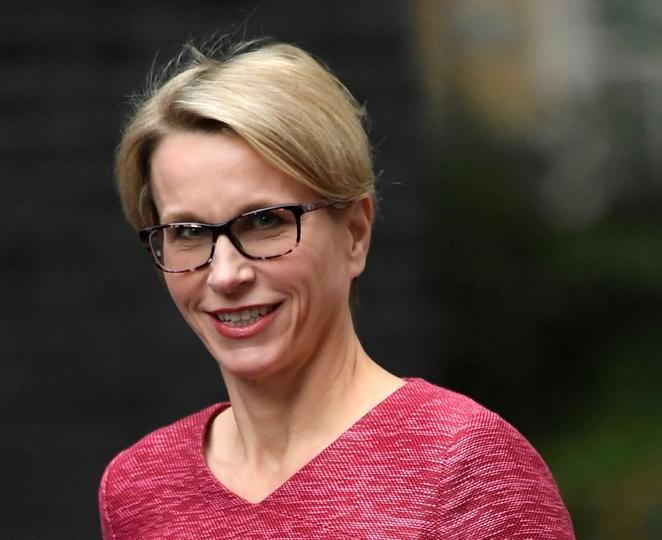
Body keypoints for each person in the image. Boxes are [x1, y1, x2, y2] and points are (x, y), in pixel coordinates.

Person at [98, 39, 575, 539]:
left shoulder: (466, 469)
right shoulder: (141, 489)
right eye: (189, 233)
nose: (225, 274)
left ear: (355, 234)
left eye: (265, 222)